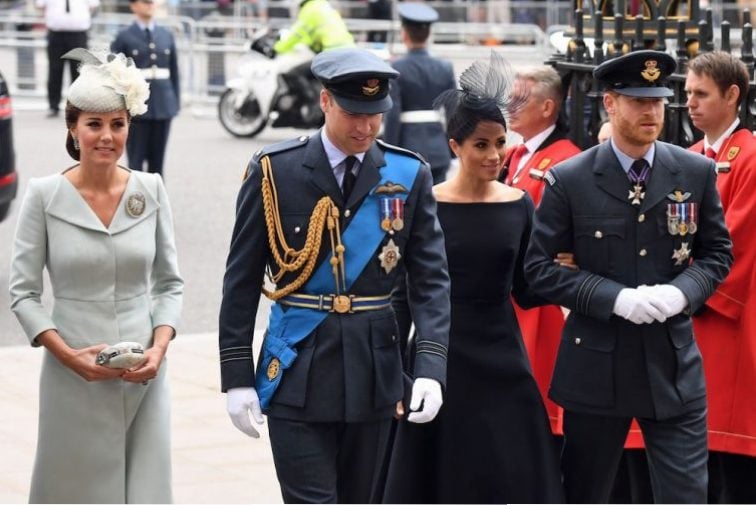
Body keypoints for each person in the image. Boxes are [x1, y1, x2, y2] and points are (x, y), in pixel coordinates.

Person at [218, 47, 450, 504]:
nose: (365, 128)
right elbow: (241, 279)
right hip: (298, 365)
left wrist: (430, 366)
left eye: (375, 115)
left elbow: (431, 282)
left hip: (374, 372)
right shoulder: (276, 171)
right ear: (325, 102)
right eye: (353, 114)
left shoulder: (409, 173)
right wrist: (236, 374)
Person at [524, 50, 733, 504]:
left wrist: (682, 294)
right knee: (585, 492)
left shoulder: (694, 171)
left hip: (671, 365)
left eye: (657, 101)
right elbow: (537, 270)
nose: (651, 112)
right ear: (610, 103)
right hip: (597, 365)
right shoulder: (570, 178)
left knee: (686, 496)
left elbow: (717, 254)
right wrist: (613, 297)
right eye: (638, 101)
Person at [381, 52, 564, 504]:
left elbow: (527, 287)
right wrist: (396, 370)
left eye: (500, 143)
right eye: (481, 145)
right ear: (455, 146)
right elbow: (403, 294)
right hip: (438, 355)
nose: (494, 155)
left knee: (511, 467)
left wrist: (575, 275)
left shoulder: (519, 203)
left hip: (503, 355)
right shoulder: (427, 203)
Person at [8, 48, 183, 503]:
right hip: (72, 372)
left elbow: (170, 284)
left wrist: (159, 349)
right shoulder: (44, 196)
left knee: (145, 491)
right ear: (73, 128)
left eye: (118, 124)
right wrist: (68, 357)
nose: (107, 136)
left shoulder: (152, 189)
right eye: (94, 124)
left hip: (144, 373)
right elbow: (23, 293)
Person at [685, 50, 756, 504]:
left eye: (701, 94)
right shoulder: (690, 156)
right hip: (689, 312)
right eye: (688, 92)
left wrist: (682, 291)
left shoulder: (750, 157)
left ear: (732, 96)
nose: (689, 103)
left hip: (725, 316)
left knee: (730, 453)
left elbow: (737, 241)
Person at [498, 65, 581, 436]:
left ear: (547, 107)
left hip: (541, 297)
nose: (510, 106)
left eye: (520, 99)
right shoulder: (516, 154)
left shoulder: (564, 158)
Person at [383, 2, 456, 184]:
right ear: (429, 34)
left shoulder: (397, 67)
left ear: (404, 34)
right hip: (438, 148)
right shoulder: (445, 67)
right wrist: (452, 149)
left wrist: (389, 150)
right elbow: (454, 113)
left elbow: (393, 114)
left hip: (407, 147)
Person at [111, 0, 180, 177]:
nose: (149, 4)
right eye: (144, 1)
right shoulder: (124, 36)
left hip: (163, 104)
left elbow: (173, 71)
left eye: (151, 2)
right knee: (135, 162)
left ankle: (156, 194)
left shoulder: (166, 35)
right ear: (133, 6)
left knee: (158, 164)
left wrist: (174, 102)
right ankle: (135, 195)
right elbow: (115, 73)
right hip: (136, 106)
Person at [35, 0, 99, 118]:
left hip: (78, 35)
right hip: (56, 34)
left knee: (79, 72)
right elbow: (40, 6)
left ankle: (78, 106)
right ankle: (53, 106)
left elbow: (93, 6)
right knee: (55, 71)